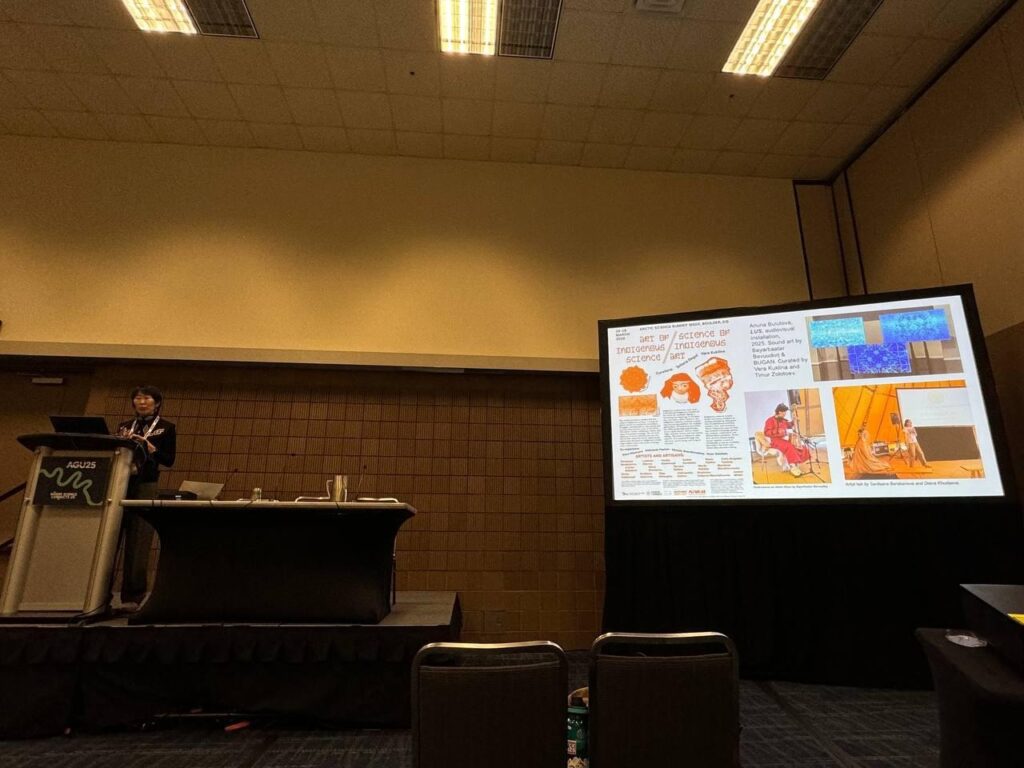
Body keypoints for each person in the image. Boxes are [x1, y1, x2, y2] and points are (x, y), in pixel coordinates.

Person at [116, 385, 176, 606]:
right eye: (138, 398)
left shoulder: (166, 427)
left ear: (157, 403)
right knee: (111, 535)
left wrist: (152, 449)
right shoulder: (124, 427)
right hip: (120, 481)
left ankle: (134, 595)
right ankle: (99, 593)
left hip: (146, 481)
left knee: (139, 537)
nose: (142, 402)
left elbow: (169, 460)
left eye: (147, 398)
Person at [763, 403, 811, 477]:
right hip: (775, 441)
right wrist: (778, 431)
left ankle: (796, 465)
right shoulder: (770, 420)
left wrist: (794, 421)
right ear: (779, 412)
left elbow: (789, 425)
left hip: (784, 439)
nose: (785, 414)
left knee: (798, 445)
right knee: (789, 446)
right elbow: (766, 432)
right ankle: (793, 467)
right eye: (784, 413)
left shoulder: (783, 420)